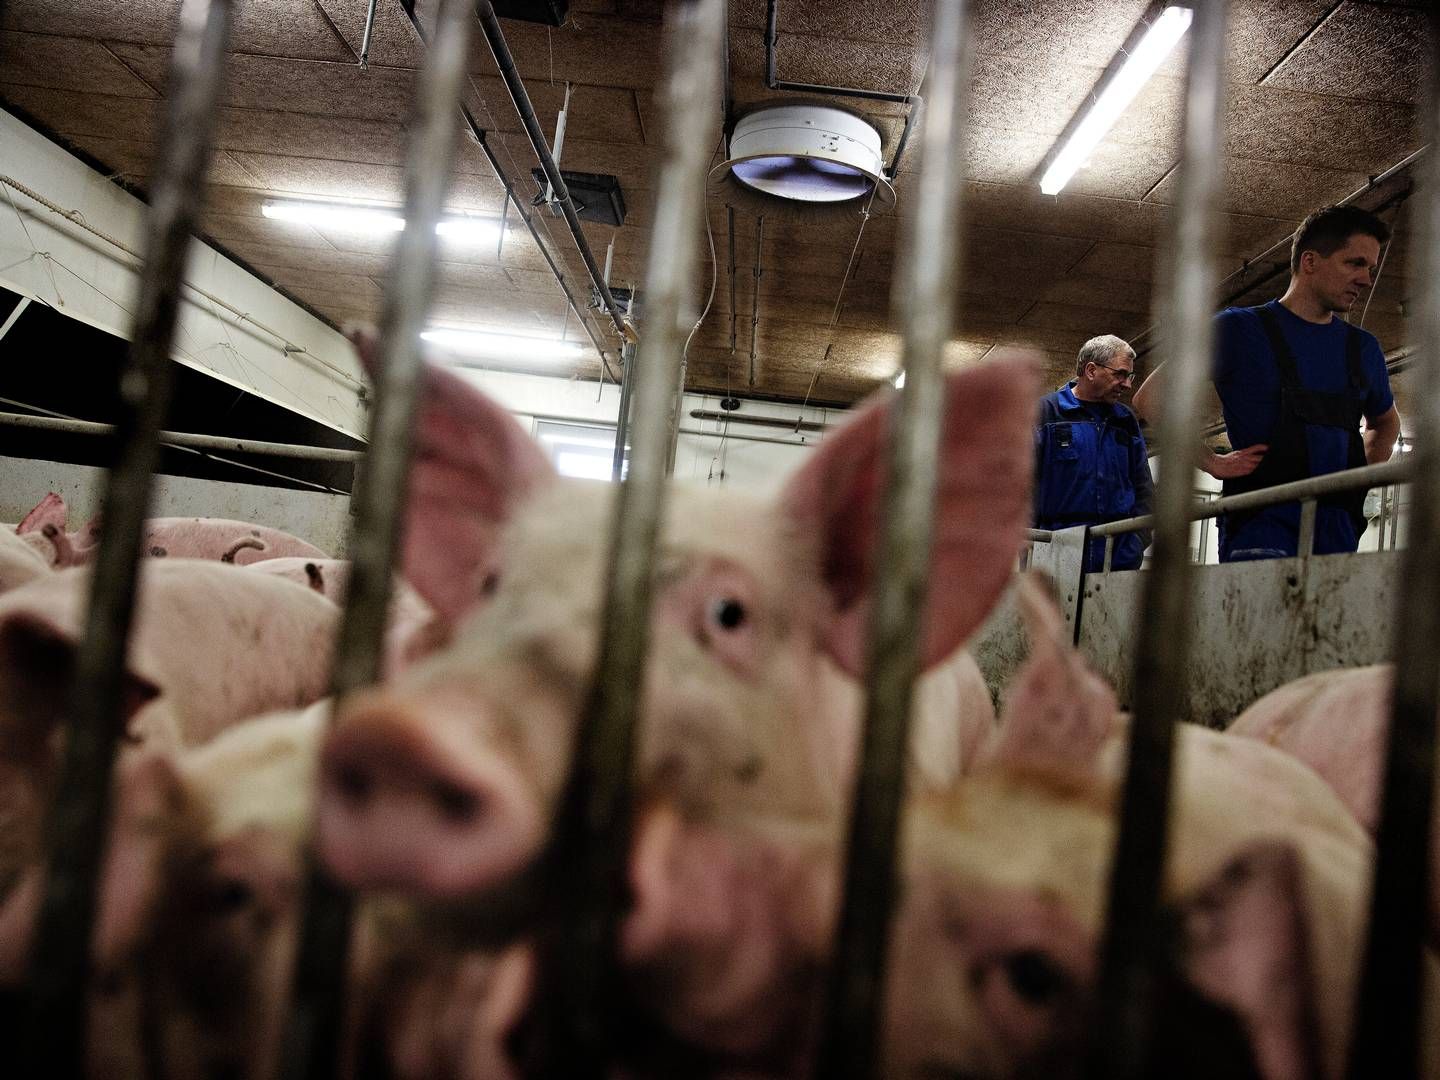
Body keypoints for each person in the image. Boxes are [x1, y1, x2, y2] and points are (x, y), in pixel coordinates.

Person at [1131, 205, 1401, 561]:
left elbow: (1385, 423)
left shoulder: (1362, 348)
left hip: (1337, 526)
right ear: (1310, 261)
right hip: (1261, 520)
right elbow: (1152, 398)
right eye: (1355, 263)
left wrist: (1359, 478)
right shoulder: (1238, 329)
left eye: (1371, 268)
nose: (1366, 279)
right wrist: (1211, 461)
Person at [1033, 335, 1154, 572]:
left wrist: (1137, 541)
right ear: (1090, 370)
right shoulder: (1047, 412)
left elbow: (1143, 486)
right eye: (1119, 374)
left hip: (1118, 553)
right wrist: (1033, 539)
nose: (1127, 384)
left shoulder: (1125, 420)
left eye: (1129, 376)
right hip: (1056, 550)